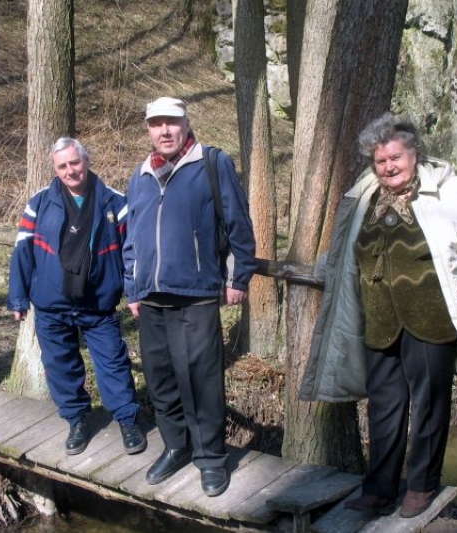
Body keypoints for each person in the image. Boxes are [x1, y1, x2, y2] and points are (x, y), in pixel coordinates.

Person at [298, 113, 457, 518]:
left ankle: (421, 486)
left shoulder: (452, 188)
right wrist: (328, 268)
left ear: (414, 154)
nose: (388, 167)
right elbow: (347, 244)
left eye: (395, 157)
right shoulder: (364, 195)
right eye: (380, 161)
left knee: (429, 404)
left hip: (432, 318)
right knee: (384, 406)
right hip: (379, 321)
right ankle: (378, 489)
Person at [123, 97, 256, 497]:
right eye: (156, 124)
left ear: (185, 123)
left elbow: (238, 224)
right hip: (152, 299)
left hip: (196, 293)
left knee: (201, 380)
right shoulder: (141, 175)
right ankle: (176, 446)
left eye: (171, 123)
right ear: (148, 129)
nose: (164, 131)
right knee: (161, 380)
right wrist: (133, 286)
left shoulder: (211, 164)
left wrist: (239, 276)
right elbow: (132, 237)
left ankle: (211, 459)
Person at [7, 137, 146, 457]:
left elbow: (131, 253)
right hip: (51, 302)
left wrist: (134, 292)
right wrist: (18, 296)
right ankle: (77, 420)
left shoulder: (114, 202)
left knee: (113, 362)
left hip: (97, 302)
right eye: (63, 166)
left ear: (86, 161)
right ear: (55, 169)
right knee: (60, 365)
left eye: (75, 162)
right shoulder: (40, 202)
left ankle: (126, 420)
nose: (71, 170)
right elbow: (23, 251)